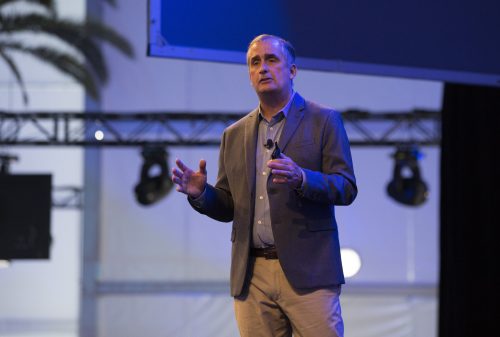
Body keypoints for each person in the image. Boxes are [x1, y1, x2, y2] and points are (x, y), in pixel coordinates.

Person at [171, 34, 357, 337]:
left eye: (272, 60)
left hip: (308, 271)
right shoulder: (234, 134)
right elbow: (229, 206)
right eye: (255, 62)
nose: (263, 68)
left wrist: (302, 178)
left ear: (292, 70)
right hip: (251, 274)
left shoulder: (323, 120)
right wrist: (202, 194)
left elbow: (346, 187)